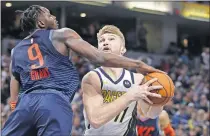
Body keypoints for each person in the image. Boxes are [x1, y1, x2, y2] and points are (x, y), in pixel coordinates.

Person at [2, 5, 163, 136]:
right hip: (53, 100)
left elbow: (14, 94)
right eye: (49, 15)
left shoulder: (16, 50)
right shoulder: (61, 34)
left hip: (25, 105)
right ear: (41, 23)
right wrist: (138, 65)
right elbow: (98, 57)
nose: (54, 17)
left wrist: (19, 114)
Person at [82, 25, 162, 136]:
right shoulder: (92, 78)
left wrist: (160, 99)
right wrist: (130, 96)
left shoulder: (137, 79)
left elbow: (150, 114)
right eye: (101, 40)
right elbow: (96, 120)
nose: (105, 42)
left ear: (123, 49)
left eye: (111, 39)